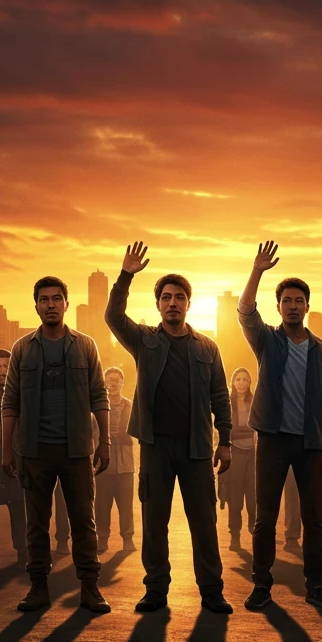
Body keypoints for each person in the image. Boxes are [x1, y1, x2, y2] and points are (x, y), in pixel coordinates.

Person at [105, 241, 233, 614]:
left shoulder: (207, 347)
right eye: (166, 297)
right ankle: (156, 591)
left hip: (197, 448)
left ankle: (212, 591)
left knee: (204, 523)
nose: (172, 303)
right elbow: (114, 316)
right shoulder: (145, 340)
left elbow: (220, 396)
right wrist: (125, 276)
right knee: (154, 522)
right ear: (158, 304)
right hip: (155, 446)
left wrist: (225, 440)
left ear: (189, 304)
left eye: (179, 297)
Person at [237, 242, 322, 611]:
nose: (293, 306)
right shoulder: (267, 340)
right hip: (273, 441)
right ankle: (261, 585)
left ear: (307, 306)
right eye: (286, 301)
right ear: (279, 307)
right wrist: (257, 271)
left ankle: (316, 585)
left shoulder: (321, 350)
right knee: (265, 518)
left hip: (311, 443)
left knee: (314, 519)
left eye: (299, 301)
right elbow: (245, 311)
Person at [2, 276, 111, 614]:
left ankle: (90, 588)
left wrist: (104, 441)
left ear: (66, 304)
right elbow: (10, 401)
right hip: (34, 450)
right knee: (36, 524)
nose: (50, 304)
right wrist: (6, 449)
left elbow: (99, 395)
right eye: (43, 299)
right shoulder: (22, 348)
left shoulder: (85, 346)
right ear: (36, 305)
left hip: (76, 449)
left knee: (83, 521)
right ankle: (38, 588)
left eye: (56, 298)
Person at [0, 349, 27, 565]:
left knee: (20, 512)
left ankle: (23, 556)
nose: (2, 371)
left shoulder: (23, 392)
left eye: (6, 366)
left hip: (16, 461)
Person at [95, 366, 137, 555]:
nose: (113, 383)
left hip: (125, 463)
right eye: (110, 379)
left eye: (116, 380)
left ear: (122, 382)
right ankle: (102, 538)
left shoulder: (130, 406)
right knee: (102, 504)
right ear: (104, 382)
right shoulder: (96, 407)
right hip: (102, 464)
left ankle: (128, 538)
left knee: (126, 505)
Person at [219, 367, 257, 552]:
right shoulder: (227, 403)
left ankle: (255, 531)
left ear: (250, 383)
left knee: (254, 495)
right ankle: (235, 535)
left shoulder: (256, 401)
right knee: (235, 498)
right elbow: (220, 428)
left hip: (254, 454)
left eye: (245, 380)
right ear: (233, 382)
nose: (241, 383)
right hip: (235, 453)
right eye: (238, 379)